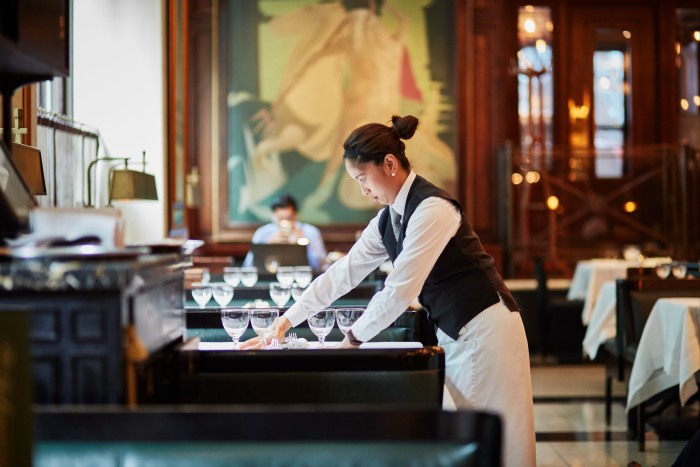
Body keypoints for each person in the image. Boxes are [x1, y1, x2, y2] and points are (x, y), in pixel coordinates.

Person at [242, 115, 536, 466]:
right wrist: (286, 321)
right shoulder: (389, 218)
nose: (362, 190)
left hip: (485, 327)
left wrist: (352, 339)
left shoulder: (432, 208)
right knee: (467, 436)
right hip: (459, 329)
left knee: (485, 439)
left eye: (363, 178)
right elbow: (342, 274)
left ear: (390, 164)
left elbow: (400, 289)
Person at [242, 194, 327, 272]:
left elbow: (322, 267)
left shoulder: (310, 232)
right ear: (273, 216)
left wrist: (304, 243)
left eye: (289, 218)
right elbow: (247, 267)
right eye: (280, 218)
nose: (285, 222)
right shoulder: (262, 233)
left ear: (296, 215)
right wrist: (269, 245)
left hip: (303, 278)